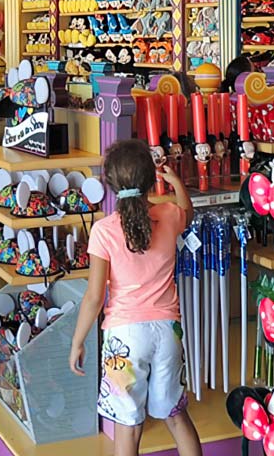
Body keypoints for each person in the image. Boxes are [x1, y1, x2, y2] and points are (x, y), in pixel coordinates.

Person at [69, 138, 200, 456]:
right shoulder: (169, 215)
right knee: (176, 416)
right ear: (149, 179)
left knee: (127, 428)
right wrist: (175, 183)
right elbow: (188, 212)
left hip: (124, 337)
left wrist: (77, 341)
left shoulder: (103, 231)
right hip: (168, 332)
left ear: (110, 185)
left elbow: (94, 298)